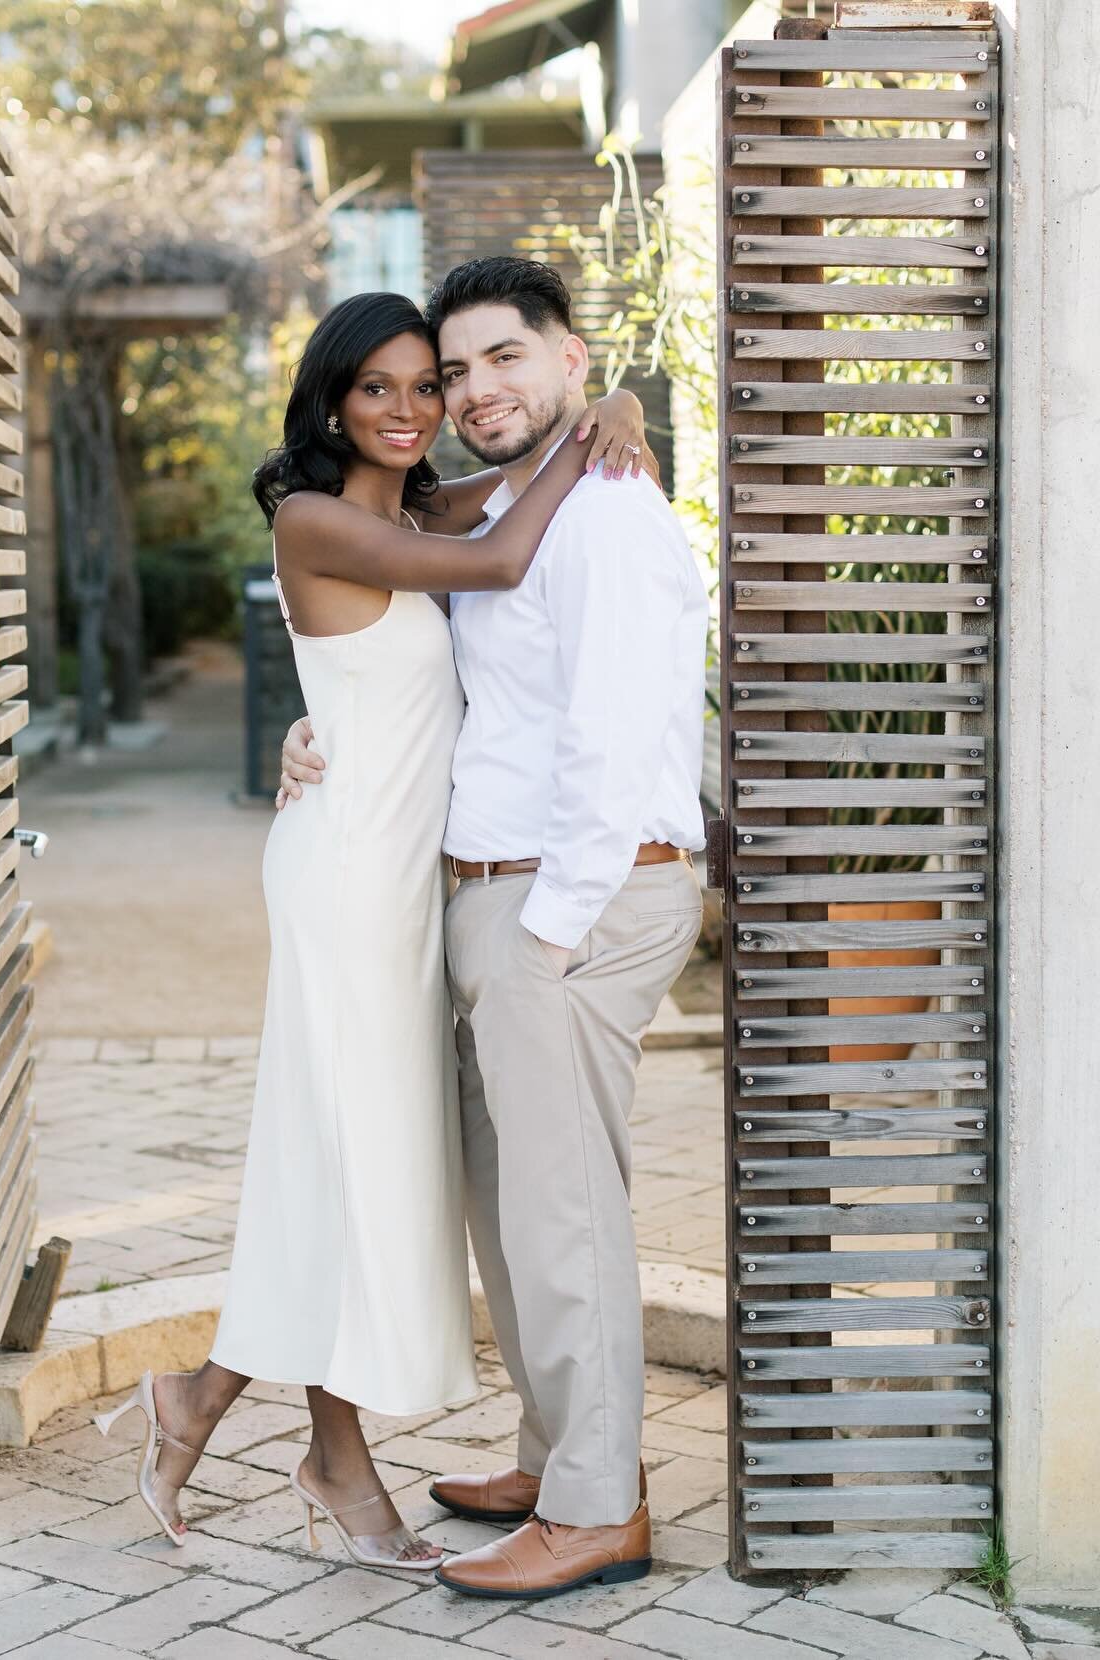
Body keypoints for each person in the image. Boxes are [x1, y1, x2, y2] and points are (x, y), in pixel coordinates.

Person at [92, 289, 657, 1571]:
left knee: (348, 1167)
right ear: (330, 399)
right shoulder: (316, 520)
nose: (413, 411)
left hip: (412, 883)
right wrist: (602, 416)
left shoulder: (408, 505)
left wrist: (603, 404)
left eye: (426, 386)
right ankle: (319, 1459)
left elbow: (503, 507)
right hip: (350, 877)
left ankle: (223, 1413)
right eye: (381, 390)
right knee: (345, 1164)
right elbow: (504, 557)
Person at [278, 257, 710, 1600]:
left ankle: (595, 1508)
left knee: (564, 1211)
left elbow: (616, 732)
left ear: (571, 359)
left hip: (568, 896)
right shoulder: (513, 495)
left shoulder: (611, 512)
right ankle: (554, 1451)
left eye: (498, 359)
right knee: (517, 1211)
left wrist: (555, 930)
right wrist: (320, 732)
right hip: (485, 891)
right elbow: (434, 679)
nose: (471, 391)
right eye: (451, 371)